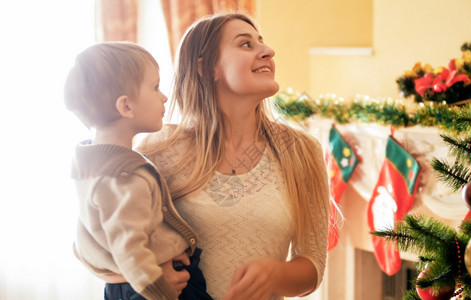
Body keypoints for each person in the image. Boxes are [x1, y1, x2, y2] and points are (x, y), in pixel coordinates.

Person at [139, 13, 330, 300]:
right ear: (207, 68)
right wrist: (147, 273)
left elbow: (313, 267)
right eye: (245, 44)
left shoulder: (301, 149)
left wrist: (274, 274)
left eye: (262, 43)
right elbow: (102, 244)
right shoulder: (159, 149)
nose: (268, 51)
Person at [64, 42, 212, 300]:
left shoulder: (90, 164)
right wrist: (161, 292)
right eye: (155, 87)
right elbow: (129, 248)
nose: (164, 97)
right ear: (126, 107)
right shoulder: (125, 177)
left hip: (130, 283)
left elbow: (88, 234)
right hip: (152, 286)